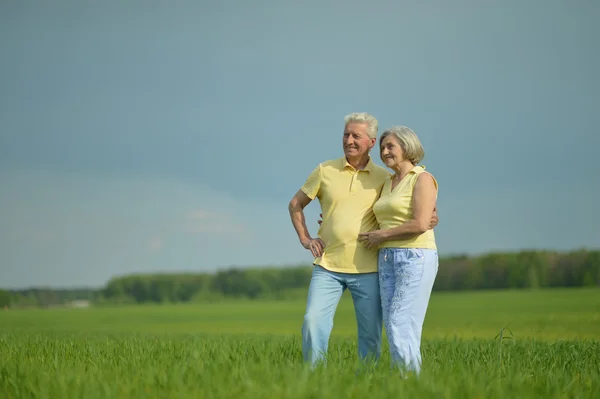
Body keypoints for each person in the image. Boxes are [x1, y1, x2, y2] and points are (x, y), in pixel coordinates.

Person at [288, 113, 437, 367]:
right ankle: (313, 380)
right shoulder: (325, 170)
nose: (349, 140)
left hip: (369, 267)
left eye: (356, 136)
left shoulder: (385, 177)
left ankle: (368, 383)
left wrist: (430, 217)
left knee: (371, 335)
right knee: (313, 321)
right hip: (328, 265)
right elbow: (295, 204)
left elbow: (406, 209)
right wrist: (305, 238)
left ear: (370, 141)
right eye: (346, 134)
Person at [357, 125, 439, 376]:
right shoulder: (387, 182)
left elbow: (421, 223)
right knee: (395, 326)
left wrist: (382, 235)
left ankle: (409, 383)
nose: (384, 151)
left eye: (390, 146)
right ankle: (405, 382)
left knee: (400, 322)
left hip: (415, 256)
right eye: (382, 147)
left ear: (408, 147)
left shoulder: (422, 178)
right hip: (387, 259)